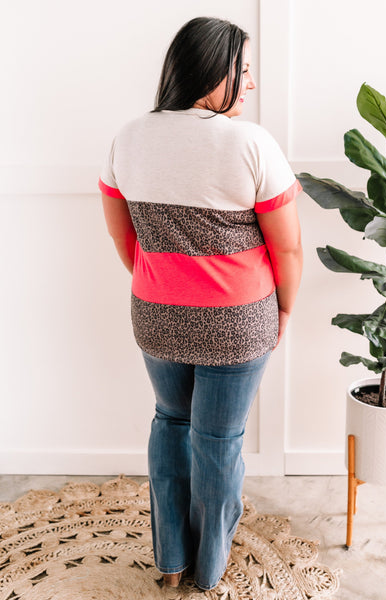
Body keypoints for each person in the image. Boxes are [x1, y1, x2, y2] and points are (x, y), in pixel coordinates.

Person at [99, 16, 303, 591]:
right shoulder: (250, 143)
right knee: (218, 442)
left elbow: (124, 238)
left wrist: (161, 285)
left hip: (157, 318)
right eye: (244, 70)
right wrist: (284, 309)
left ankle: (170, 563)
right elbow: (287, 247)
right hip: (237, 324)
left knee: (170, 422)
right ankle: (209, 570)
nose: (251, 84)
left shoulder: (129, 137)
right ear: (214, 72)